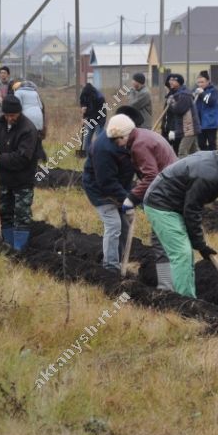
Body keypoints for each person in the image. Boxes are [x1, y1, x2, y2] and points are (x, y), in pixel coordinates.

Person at [142, 146, 218, 298]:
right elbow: (192, 210)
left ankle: (166, 291)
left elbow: (192, 206)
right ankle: (186, 303)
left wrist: (199, 244)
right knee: (182, 253)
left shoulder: (216, 162)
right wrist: (200, 245)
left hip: (170, 200)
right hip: (162, 203)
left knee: (167, 248)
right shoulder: (208, 176)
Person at [110, 105, 178, 287]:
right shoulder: (142, 135)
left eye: (117, 140)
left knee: (161, 239)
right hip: (172, 187)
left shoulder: (139, 145)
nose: (117, 144)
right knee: (167, 239)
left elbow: (151, 176)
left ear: (124, 135)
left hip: (169, 191)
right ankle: (172, 285)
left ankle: (167, 288)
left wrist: (132, 198)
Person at [84, 112, 136, 273]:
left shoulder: (126, 141)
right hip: (99, 190)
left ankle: (120, 262)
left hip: (119, 187)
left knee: (125, 227)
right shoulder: (103, 149)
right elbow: (106, 183)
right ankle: (110, 268)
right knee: (114, 224)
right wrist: (127, 199)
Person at [0, 96, 40, 252]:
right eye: (7, 115)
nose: (10, 118)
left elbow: (22, 158)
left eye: (14, 115)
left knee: (21, 214)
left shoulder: (28, 129)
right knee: (5, 212)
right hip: (4, 178)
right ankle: (7, 245)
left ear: (19, 112)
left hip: (22, 179)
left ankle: (19, 249)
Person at [161, 73, 198, 157]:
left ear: (179, 83)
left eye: (174, 80)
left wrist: (171, 102)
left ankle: (182, 169)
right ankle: (200, 166)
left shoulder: (184, 95)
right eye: (170, 80)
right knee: (194, 152)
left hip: (189, 128)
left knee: (182, 152)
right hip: (184, 128)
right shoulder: (175, 94)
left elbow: (179, 110)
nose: (171, 82)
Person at [14, 79, 47, 160]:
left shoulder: (18, 92)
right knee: (37, 139)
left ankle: (27, 157)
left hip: (27, 118)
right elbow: (41, 106)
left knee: (26, 139)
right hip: (38, 118)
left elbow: (17, 107)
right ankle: (41, 156)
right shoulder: (35, 92)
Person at [194, 70, 218, 150]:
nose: (200, 84)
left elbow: (210, 102)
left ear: (208, 81)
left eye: (202, 82)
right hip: (199, 123)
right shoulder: (196, 91)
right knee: (201, 143)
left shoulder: (214, 91)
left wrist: (202, 94)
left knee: (212, 143)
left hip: (211, 123)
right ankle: (205, 158)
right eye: (198, 82)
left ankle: (214, 158)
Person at [79, 81, 106, 153]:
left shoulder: (99, 97)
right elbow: (82, 101)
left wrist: (86, 120)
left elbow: (97, 113)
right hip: (91, 117)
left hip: (100, 118)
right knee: (87, 136)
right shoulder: (84, 93)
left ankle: (101, 153)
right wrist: (83, 107)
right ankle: (87, 153)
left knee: (99, 137)